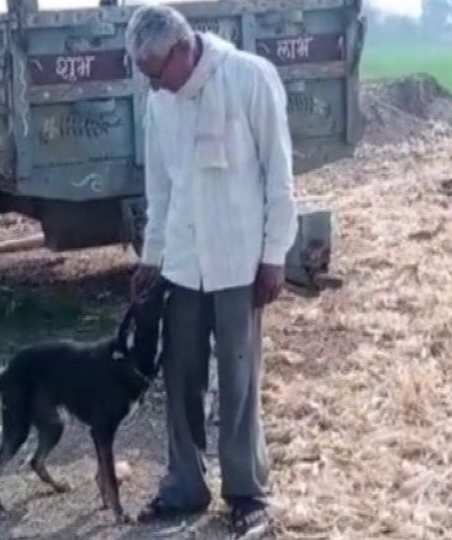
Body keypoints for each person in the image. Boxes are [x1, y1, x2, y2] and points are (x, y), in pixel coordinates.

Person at [125, 4, 298, 539]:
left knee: (240, 380)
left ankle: (246, 491)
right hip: (182, 262)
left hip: (239, 260)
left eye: (155, 71)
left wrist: (274, 255)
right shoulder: (161, 103)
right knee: (181, 376)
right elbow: (161, 188)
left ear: (181, 49)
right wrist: (151, 258)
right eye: (144, 74)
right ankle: (185, 484)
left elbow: (279, 174)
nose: (152, 85)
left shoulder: (247, 77)